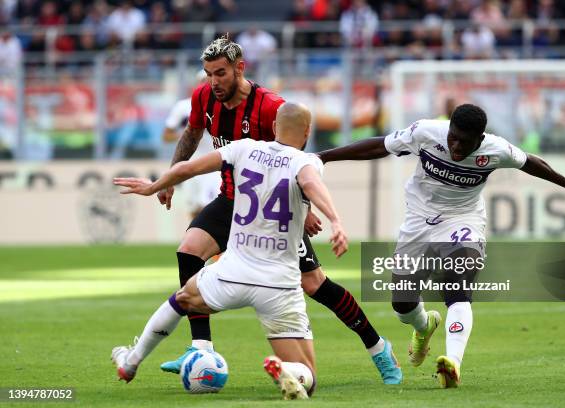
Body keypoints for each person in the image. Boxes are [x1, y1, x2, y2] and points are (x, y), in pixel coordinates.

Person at [154, 36, 401, 384]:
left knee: (314, 284)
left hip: (275, 211)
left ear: (240, 68)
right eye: (209, 74)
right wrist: (170, 178)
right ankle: (201, 349)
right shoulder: (203, 97)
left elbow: (294, 157)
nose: (214, 82)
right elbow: (192, 134)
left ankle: (378, 348)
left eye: (220, 73)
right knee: (189, 250)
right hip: (231, 201)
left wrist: (305, 207)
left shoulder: (270, 107)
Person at [317, 103, 565, 388]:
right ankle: (423, 326)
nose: (456, 147)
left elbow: (531, 162)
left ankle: (452, 362)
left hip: (463, 220)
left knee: (457, 283)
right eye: (453, 138)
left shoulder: (495, 149)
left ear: (479, 140)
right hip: (418, 220)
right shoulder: (427, 132)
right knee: (402, 305)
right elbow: (379, 146)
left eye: (465, 143)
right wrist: (324, 157)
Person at [111, 102, 347, 399]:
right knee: (308, 375)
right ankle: (289, 371)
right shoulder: (306, 161)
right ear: (308, 132)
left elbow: (189, 167)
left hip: (233, 270)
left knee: (182, 298)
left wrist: (155, 185)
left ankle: (131, 363)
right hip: (279, 284)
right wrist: (335, 220)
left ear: (274, 127)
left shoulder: (244, 148)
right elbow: (311, 183)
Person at [162, 70, 220, 219]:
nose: (206, 84)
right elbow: (166, 135)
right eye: (203, 81)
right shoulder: (183, 107)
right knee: (193, 209)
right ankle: (195, 239)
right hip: (190, 163)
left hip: (213, 164)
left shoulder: (223, 106)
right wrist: (188, 136)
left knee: (209, 207)